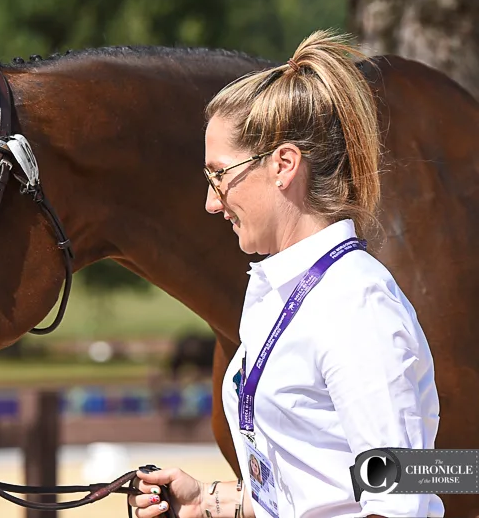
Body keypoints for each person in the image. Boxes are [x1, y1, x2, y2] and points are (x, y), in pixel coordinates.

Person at [128, 31, 443, 518]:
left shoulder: (354, 305)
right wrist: (209, 502)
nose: (212, 202)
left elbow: (397, 502)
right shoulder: (279, 292)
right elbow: (318, 481)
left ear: (284, 165)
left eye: (219, 175)